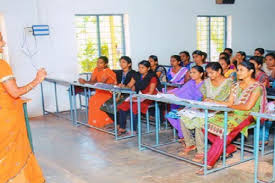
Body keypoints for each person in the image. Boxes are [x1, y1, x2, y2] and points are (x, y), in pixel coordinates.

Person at [198, 61, 267, 174]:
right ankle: (229, 149)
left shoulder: (257, 87)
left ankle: (209, 162)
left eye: (241, 70)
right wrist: (214, 101)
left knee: (223, 132)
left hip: (248, 114)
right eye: (237, 70)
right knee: (205, 125)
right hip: (233, 111)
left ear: (250, 71)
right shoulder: (235, 85)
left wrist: (229, 107)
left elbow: (247, 107)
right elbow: (229, 102)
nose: (238, 72)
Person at [0, 33, 46, 182]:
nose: (4, 42)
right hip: (7, 117)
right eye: (1, 39)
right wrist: (36, 80)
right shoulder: (2, 65)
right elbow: (14, 92)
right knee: (13, 152)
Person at [179, 62, 232, 162]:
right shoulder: (207, 82)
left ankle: (201, 151)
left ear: (219, 71)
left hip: (222, 109)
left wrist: (213, 102)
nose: (210, 75)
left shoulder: (228, 83)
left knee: (200, 124)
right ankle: (190, 144)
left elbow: (228, 101)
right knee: (183, 116)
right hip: (208, 107)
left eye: (212, 73)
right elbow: (204, 97)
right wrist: (204, 104)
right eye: (208, 73)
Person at [117, 60, 160, 135]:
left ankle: (133, 130)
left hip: (150, 97)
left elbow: (150, 92)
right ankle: (122, 127)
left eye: (143, 68)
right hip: (140, 96)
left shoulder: (152, 77)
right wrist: (123, 86)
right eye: (139, 67)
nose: (140, 69)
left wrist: (137, 97)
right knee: (123, 106)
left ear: (148, 68)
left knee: (134, 107)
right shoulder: (136, 75)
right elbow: (129, 86)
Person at [166, 66, 204, 140]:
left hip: (198, 107)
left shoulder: (204, 84)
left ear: (201, 74)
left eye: (194, 72)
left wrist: (187, 107)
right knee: (170, 115)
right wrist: (168, 94)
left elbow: (201, 99)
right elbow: (180, 91)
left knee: (181, 117)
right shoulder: (190, 82)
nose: (191, 74)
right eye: (191, 73)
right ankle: (185, 134)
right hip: (186, 106)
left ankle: (184, 137)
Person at [78, 56, 117, 128]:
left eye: (101, 63)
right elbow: (92, 81)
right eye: (97, 62)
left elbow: (100, 84)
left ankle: (105, 122)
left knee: (99, 101)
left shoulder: (108, 71)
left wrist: (85, 82)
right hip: (99, 92)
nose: (98, 64)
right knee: (92, 99)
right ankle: (94, 122)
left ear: (105, 64)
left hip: (108, 93)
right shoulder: (96, 69)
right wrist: (84, 81)